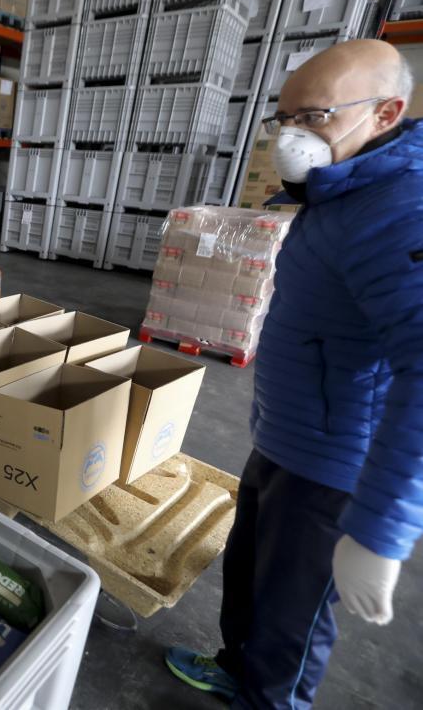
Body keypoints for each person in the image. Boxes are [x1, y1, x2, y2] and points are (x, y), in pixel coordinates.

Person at [165, 39, 422, 708]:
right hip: (284, 439)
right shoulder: (338, 191)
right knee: (250, 579)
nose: (292, 137)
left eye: (315, 117)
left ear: (386, 113)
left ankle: (269, 701)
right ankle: (234, 668)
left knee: (292, 619)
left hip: (333, 471)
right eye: (284, 120)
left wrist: (379, 532)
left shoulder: (399, 210)